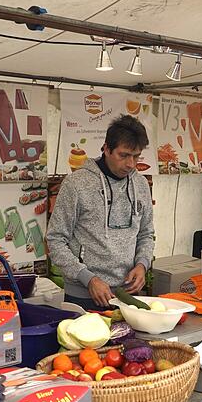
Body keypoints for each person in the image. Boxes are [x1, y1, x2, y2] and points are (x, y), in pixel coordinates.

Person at [47, 114, 154, 311]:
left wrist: (142, 264)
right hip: (83, 295)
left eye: (136, 156)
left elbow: (146, 234)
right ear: (106, 148)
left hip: (128, 295)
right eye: (123, 155)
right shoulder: (76, 184)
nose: (131, 164)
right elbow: (55, 240)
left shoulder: (140, 185)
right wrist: (88, 279)